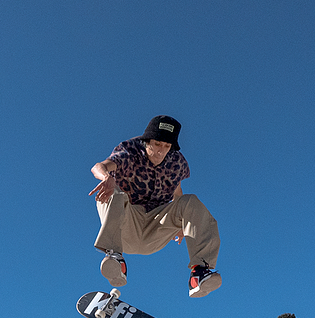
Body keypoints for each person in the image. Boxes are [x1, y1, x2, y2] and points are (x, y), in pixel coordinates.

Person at [89, 115, 221, 298]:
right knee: (113, 192)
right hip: (126, 224)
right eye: (157, 144)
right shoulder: (130, 150)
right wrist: (106, 177)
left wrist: (184, 223)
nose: (161, 151)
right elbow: (99, 166)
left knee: (191, 201)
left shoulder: (177, 163)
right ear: (147, 141)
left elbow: (178, 193)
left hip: (155, 228)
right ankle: (115, 259)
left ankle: (199, 274)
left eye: (166, 147)